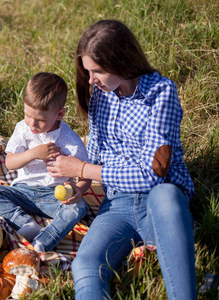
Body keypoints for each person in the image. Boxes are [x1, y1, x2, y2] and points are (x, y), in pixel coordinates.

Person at [47, 20, 197, 299]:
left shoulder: (160, 93)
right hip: (117, 203)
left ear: (122, 61)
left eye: (98, 71)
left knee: (165, 195)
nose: (90, 80)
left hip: (159, 200)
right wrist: (81, 183)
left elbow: (152, 174)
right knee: (86, 264)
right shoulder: (101, 95)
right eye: (87, 71)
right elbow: (98, 147)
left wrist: (83, 168)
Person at [0, 72, 92, 253]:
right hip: (23, 192)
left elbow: (84, 175)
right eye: (27, 115)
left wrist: (79, 190)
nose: (32, 124)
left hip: (54, 197)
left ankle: (45, 240)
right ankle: (25, 223)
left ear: (59, 114)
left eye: (40, 120)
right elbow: (10, 163)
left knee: (79, 206)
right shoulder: (23, 129)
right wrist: (33, 154)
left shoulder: (70, 141)